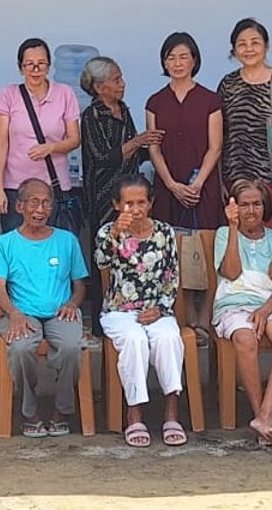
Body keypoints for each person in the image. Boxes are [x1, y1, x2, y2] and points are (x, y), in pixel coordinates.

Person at [0, 178, 89, 438]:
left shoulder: (67, 241)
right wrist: (14, 313)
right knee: (20, 348)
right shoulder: (3, 243)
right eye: (34, 202)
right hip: (21, 313)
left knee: (72, 346)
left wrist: (72, 303)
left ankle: (62, 411)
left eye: (46, 203)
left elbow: (80, 285)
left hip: (59, 312)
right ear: (19, 206)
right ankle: (29, 411)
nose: (40, 209)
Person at [93, 174, 187, 448]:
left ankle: (172, 412)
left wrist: (161, 308)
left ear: (151, 203)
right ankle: (134, 413)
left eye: (141, 202)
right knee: (135, 340)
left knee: (169, 338)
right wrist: (115, 235)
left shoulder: (165, 232)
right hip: (119, 310)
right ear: (116, 204)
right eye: (128, 203)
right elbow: (101, 262)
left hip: (157, 309)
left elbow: (172, 277)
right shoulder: (107, 232)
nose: (135, 209)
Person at [209, 178, 272, 446]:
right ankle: (261, 415)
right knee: (245, 338)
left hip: (271, 304)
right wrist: (234, 228)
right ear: (233, 208)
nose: (251, 210)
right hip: (234, 303)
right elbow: (231, 272)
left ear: (265, 206)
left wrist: (265, 309)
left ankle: (265, 415)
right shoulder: (224, 234)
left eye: (257, 204)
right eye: (244, 205)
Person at [0, 38, 81, 231]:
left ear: (49, 66)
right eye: (29, 64)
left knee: (54, 248)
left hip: (53, 186)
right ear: (20, 67)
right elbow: (0, 143)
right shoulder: (8, 95)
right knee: (18, 248)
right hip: (16, 187)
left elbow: (75, 139)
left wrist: (51, 148)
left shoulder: (65, 94)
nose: (36, 70)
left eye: (41, 64)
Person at [217, 18, 272, 211]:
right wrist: (219, 179)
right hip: (235, 177)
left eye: (255, 42)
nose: (249, 49)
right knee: (238, 235)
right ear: (234, 50)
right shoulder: (228, 84)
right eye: (242, 44)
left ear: (266, 46)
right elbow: (218, 133)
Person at [146, 31, 225, 232]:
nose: (177, 63)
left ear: (194, 60)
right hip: (167, 185)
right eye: (171, 58)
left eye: (183, 57)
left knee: (205, 245)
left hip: (203, 184)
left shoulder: (210, 100)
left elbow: (215, 147)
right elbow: (154, 149)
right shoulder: (155, 102)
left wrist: (196, 185)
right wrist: (172, 185)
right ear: (164, 63)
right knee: (167, 243)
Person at [79, 55, 160, 232]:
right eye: (116, 80)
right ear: (99, 87)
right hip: (104, 198)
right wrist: (139, 140)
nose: (122, 83)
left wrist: (157, 148)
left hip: (130, 194)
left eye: (121, 78)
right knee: (108, 245)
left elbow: (136, 153)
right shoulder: (92, 115)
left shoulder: (122, 109)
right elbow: (103, 158)